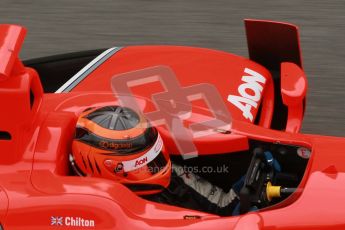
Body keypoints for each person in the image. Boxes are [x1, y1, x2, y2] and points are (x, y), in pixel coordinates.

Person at [70, 105, 243, 216]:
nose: (157, 168)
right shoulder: (91, 212)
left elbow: (223, 206)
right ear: (111, 167)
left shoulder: (168, 172)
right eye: (144, 165)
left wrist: (244, 191)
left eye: (155, 159)